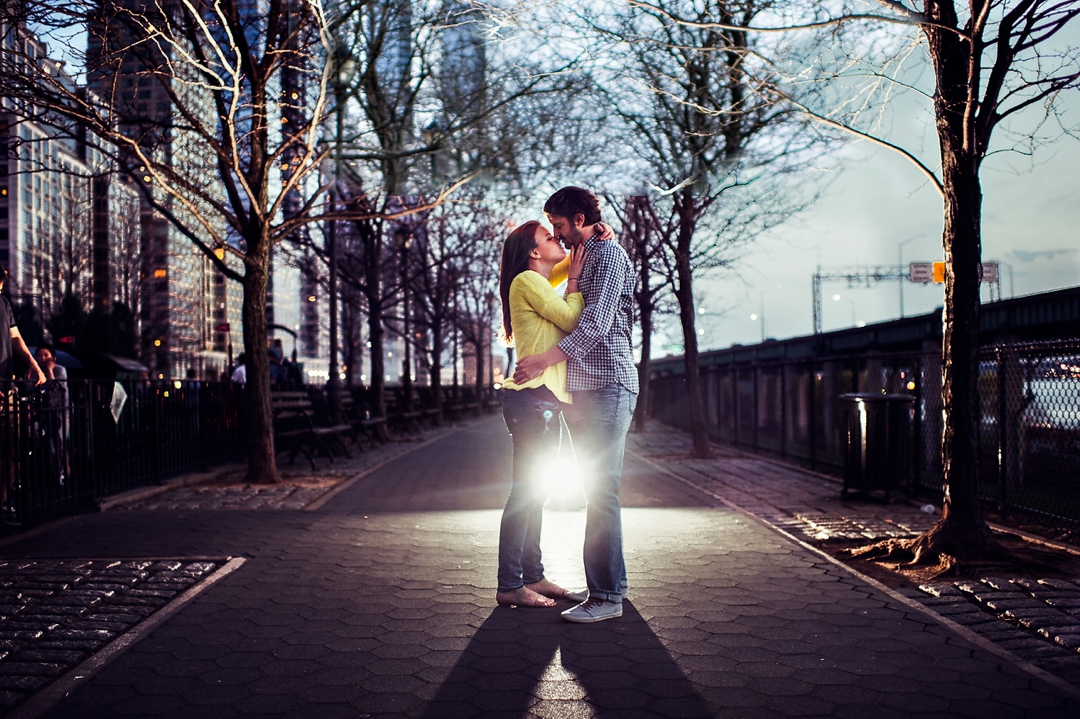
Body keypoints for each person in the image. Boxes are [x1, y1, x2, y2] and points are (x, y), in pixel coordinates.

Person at [513, 187, 638, 624]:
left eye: (561, 225)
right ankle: (611, 586)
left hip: (608, 385)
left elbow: (595, 326)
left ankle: (606, 597)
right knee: (596, 491)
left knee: (601, 492)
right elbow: (558, 290)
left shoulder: (606, 255)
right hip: (587, 390)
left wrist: (544, 359)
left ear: (579, 217)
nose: (559, 235)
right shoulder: (590, 251)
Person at [495, 220, 589, 608]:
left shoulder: (537, 281)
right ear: (534, 252)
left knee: (538, 491)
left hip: (542, 400)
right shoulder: (527, 282)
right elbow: (570, 320)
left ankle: (532, 576)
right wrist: (574, 284)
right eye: (549, 238)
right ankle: (510, 584)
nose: (558, 240)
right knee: (526, 493)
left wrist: (590, 238)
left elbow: (569, 260)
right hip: (533, 401)